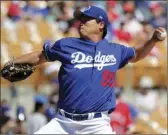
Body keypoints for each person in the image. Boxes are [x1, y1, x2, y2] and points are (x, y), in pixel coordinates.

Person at [1, 6, 166, 134]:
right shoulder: (66, 45)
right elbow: (39, 56)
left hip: (96, 125)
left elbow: (136, 53)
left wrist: (152, 40)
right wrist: (10, 63)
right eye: (81, 19)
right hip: (63, 123)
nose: (82, 22)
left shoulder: (115, 50)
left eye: (87, 19)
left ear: (101, 25)